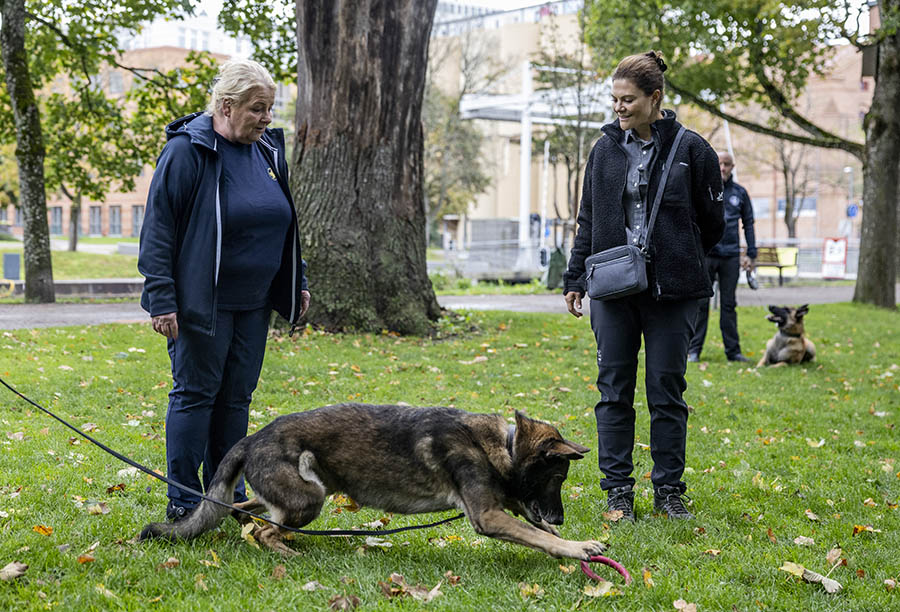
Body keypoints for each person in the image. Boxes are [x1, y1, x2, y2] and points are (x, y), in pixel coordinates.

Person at [138, 58, 310, 522]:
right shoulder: (188, 151)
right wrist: (161, 297)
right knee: (195, 395)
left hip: (254, 304)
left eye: (270, 108)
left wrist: (300, 281)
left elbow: (284, 224)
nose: (267, 118)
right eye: (258, 108)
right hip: (201, 303)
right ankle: (184, 499)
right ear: (227, 106)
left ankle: (225, 492)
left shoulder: (269, 150)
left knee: (236, 399)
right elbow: (158, 231)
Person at [563, 51, 724, 521]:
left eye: (628, 99)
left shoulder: (693, 150)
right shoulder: (604, 150)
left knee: (666, 391)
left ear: (655, 99)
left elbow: (711, 222)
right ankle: (618, 492)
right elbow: (588, 219)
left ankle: (669, 491)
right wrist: (576, 277)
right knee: (613, 391)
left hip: (672, 294)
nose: (619, 108)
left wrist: (678, 256)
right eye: (614, 99)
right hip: (613, 290)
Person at [687, 151, 757, 363]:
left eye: (726, 164)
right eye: (719, 164)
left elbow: (749, 224)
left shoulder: (740, 193)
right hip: (707, 255)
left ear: (732, 167)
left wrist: (751, 254)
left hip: (730, 257)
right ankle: (693, 350)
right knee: (701, 304)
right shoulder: (702, 190)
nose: (722, 168)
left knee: (729, 305)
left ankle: (733, 352)